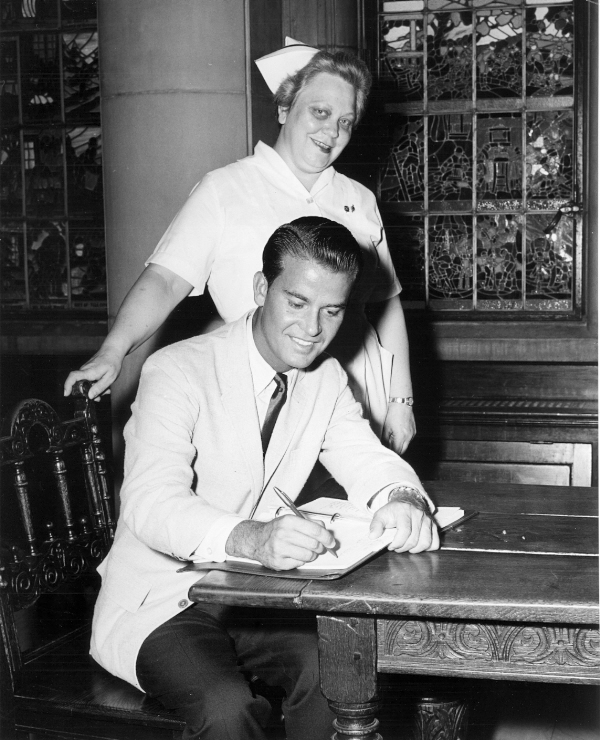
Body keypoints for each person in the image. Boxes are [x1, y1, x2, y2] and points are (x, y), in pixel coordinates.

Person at [90, 217, 439, 740]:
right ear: (261, 289)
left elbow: (369, 458)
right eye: (296, 302)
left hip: (251, 596)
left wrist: (403, 498)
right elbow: (149, 504)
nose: (313, 328)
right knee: (228, 709)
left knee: (340, 677)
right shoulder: (178, 370)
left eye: (332, 310)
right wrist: (253, 538)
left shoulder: (324, 378)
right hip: (162, 600)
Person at [64, 39, 417, 454]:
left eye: (346, 121)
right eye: (320, 112)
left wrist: (401, 400)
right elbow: (165, 279)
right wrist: (113, 351)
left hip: (362, 395)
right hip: (265, 397)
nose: (332, 131)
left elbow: (387, 304)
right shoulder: (226, 188)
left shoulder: (360, 198)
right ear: (285, 108)